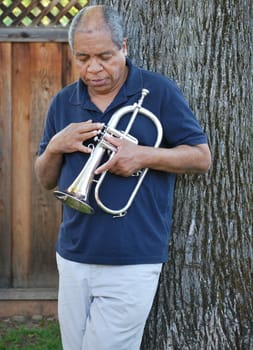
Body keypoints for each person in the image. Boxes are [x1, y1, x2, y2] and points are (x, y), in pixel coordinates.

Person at [35, 5, 211, 350]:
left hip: (131, 258)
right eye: (83, 58)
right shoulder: (63, 102)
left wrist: (142, 155)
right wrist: (55, 147)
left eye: (105, 56)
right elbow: (44, 180)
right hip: (72, 254)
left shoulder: (158, 92)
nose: (94, 68)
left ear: (124, 48)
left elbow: (201, 158)